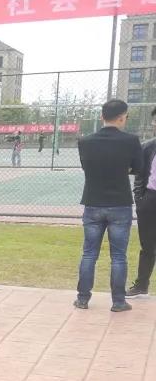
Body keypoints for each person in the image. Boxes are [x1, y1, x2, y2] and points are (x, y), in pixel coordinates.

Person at [76, 99, 144, 312]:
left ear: (101, 117)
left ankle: (83, 298)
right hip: (120, 204)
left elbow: (86, 167)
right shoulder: (131, 141)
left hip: (93, 202)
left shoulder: (85, 141)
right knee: (119, 256)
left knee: (89, 253)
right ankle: (118, 301)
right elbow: (139, 168)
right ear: (122, 117)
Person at [128, 106, 156, 299]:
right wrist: (140, 199)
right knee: (148, 246)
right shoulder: (147, 147)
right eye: (155, 121)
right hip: (150, 200)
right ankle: (141, 286)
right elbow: (139, 174)